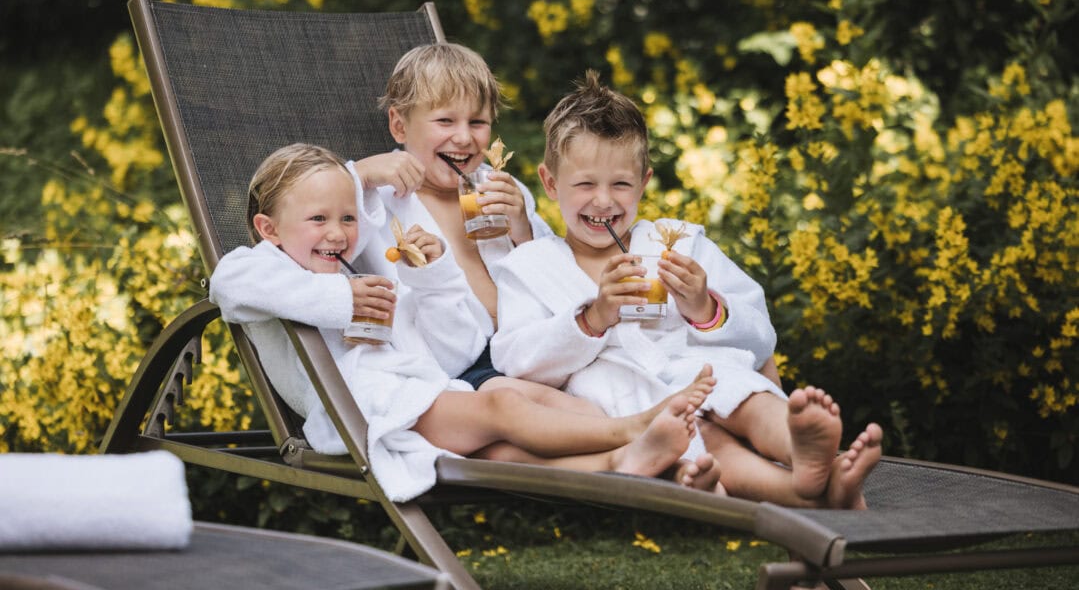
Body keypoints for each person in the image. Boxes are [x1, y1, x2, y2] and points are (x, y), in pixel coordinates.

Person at [208, 142, 711, 503]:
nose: (338, 233)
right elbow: (226, 284)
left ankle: (621, 461)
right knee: (501, 404)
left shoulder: (350, 268)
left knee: (510, 426)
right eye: (319, 220)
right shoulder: (261, 267)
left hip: (416, 390)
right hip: (364, 410)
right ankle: (631, 429)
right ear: (268, 229)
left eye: (349, 218)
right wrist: (343, 295)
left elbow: (443, 344)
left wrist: (431, 276)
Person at [490, 71, 883, 507]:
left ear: (644, 183)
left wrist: (705, 307)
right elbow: (515, 359)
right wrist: (592, 317)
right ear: (549, 184)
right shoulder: (529, 266)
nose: (604, 201)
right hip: (626, 398)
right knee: (709, 440)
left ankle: (801, 448)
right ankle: (803, 489)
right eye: (585, 185)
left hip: (703, 368)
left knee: (746, 395)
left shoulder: (677, 243)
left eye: (621, 184)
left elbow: (759, 333)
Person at [347, 42, 722, 489]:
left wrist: (523, 227)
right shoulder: (374, 204)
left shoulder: (501, 190)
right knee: (508, 424)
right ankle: (637, 442)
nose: (464, 137)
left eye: (478, 122)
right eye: (445, 121)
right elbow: (307, 203)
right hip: (454, 366)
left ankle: (642, 457)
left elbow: (556, 272)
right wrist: (362, 173)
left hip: (528, 352)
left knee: (574, 416)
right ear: (398, 124)